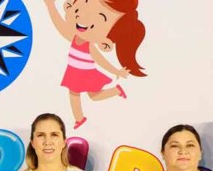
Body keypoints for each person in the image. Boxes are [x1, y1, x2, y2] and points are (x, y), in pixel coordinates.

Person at [43, 0, 146, 129]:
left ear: (106, 41)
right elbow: (61, 26)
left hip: (84, 73)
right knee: (92, 96)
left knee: (78, 94)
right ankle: (115, 91)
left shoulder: (89, 45)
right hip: (75, 72)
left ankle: (80, 118)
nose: (83, 16)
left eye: (101, 17)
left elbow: (100, 61)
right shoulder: (75, 37)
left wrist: (116, 71)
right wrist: (51, 6)